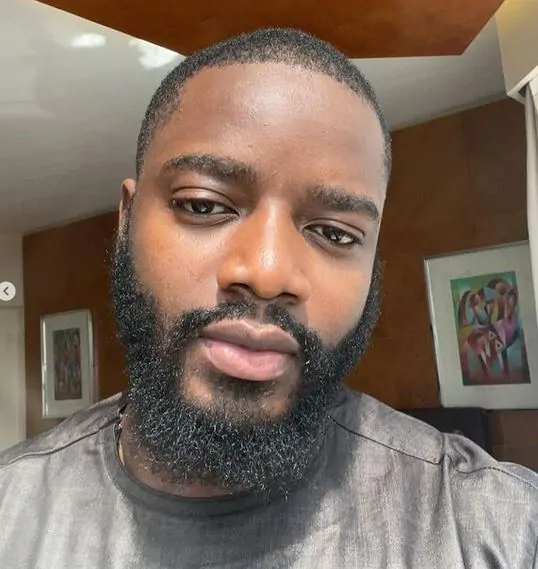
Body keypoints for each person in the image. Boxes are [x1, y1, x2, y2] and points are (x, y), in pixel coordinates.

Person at [1, 27, 537, 569]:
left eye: (335, 233)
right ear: (126, 222)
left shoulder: (492, 530)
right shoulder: (12, 507)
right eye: (203, 205)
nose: (266, 273)